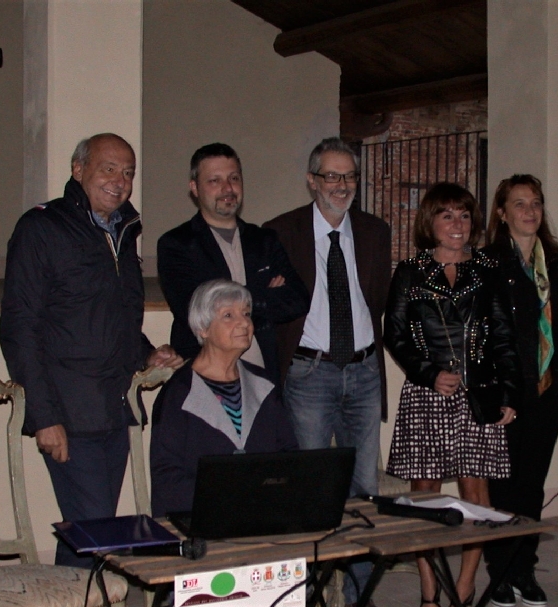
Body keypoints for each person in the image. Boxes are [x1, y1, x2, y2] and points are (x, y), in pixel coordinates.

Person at [0, 133, 182, 566]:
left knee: (86, 534)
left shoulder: (121, 232)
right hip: (69, 413)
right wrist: (45, 418)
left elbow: (112, 321)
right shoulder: (41, 227)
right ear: (78, 170)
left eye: (128, 172)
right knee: (95, 530)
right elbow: (19, 330)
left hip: (114, 409)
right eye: (108, 169)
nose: (120, 181)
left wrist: (146, 353)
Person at [264, 137, 391, 606]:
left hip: (362, 373)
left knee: (362, 491)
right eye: (332, 176)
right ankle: (308, 595)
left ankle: (359, 595)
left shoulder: (376, 231)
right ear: (312, 181)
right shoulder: (280, 231)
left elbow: (376, 301)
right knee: (311, 492)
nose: (342, 186)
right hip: (308, 375)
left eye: (350, 176)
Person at [384, 182, 520, 607]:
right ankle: (429, 592)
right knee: (424, 497)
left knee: (476, 498)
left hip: (477, 396)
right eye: (447, 215)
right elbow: (395, 335)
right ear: (430, 222)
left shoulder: (488, 270)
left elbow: (503, 336)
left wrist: (509, 394)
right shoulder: (409, 271)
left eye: (463, 215)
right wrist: (429, 374)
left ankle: (463, 588)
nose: (457, 224)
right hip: (427, 396)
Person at [481, 175, 558, 607]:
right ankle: (501, 574)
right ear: (502, 213)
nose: (529, 211)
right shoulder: (489, 262)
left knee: (532, 486)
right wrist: (500, 393)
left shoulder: (556, 259)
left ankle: (525, 571)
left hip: (548, 388)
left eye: (535, 203)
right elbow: (482, 336)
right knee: (504, 487)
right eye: (519, 204)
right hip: (508, 393)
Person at [158, 143, 308, 377]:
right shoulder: (177, 244)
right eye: (214, 181)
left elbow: (298, 299)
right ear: (194, 188)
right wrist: (263, 295)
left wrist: (228, 305)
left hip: (262, 375)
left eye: (234, 178)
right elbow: (194, 312)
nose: (227, 188)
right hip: (204, 376)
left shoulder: (264, 239)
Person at [150, 279, 298, 517]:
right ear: (203, 329)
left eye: (246, 313)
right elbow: (168, 481)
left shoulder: (263, 385)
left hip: (263, 517)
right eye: (228, 315)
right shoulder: (179, 394)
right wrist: (230, 498)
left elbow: (289, 457)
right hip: (201, 520)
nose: (243, 323)